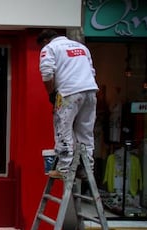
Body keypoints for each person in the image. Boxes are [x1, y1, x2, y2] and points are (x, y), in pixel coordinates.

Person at [37, 29, 99, 179]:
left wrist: (51, 94)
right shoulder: (81, 48)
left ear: (45, 41)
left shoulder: (50, 48)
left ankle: (64, 168)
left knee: (62, 128)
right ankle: (87, 167)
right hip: (90, 91)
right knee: (85, 130)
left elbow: (47, 74)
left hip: (68, 93)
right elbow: (91, 71)